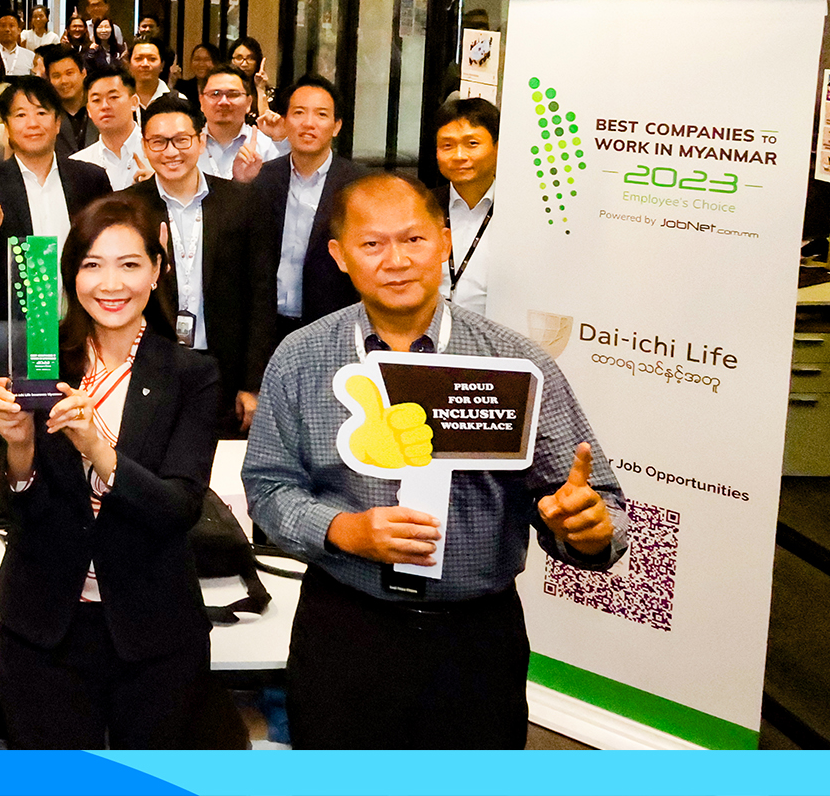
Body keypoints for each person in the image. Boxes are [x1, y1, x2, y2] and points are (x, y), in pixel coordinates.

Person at [243, 172, 630, 749]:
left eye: (414, 239)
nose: (396, 261)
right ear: (340, 256)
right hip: (345, 629)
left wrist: (588, 528)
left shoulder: (514, 363)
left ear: (444, 242)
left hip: (475, 640)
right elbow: (268, 486)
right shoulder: (301, 357)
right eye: (372, 244)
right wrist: (344, 530)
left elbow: (599, 503)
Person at [0, 194, 245, 749]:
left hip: (153, 632)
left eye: (129, 264)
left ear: (157, 269)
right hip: (43, 628)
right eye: (92, 265)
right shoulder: (42, 361)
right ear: (71, 275)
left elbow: (179, 508)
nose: (111, 284)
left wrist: (98, 449)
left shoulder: (192, 374)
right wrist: (20, 447)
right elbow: (21, 510)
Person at [129, 99, 275, 436]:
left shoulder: (242, 202)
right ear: (145, 146)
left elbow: (261, 294)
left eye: (182, 140)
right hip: (149, 363)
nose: (171, 152)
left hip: (224, 368)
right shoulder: (128, 207)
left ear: (201, 140)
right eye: (158, 142)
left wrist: (253, 383)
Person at [0, 77, 114, 322]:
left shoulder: (90, 180)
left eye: (41, 113)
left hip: (82, 320)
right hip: (11, 324)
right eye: (20, 115)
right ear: (7, 127)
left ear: (57, 123)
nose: (32, 123)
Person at [253, 76, 367, 342]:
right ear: (284, 121)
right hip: (268, 325)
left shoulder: (359, 185)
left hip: (334, 326)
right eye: (299, 113)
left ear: (337, 126)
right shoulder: (264, 178)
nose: (308, 123)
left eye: (321, 114)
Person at [432, 97, 499, 317]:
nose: (459, 156)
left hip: (498, 332)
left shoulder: (520, 212)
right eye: (447, 146)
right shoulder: (421, 208)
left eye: (472, 144)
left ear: (498, 147)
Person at [198, 67, 284, 183]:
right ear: (201, 101)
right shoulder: (187, 146)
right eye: (215, 94)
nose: (223, 102)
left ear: (249, 103)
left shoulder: (266, 146)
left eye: (233, 94)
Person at [70, 70, 150, 191]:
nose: (105, 106)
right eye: (96, 100)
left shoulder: (161, 151)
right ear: (89, 110)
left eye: (113, 97)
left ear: (134, 102)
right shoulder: (77, 164)